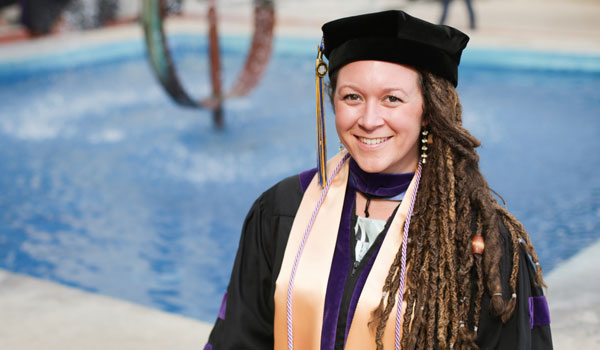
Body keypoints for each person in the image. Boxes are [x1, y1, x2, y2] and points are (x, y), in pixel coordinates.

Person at [205, 10, 552, 350]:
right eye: (352, 97)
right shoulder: (284, 210)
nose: (370, 120)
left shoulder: (475, 239)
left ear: (430, 110)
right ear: (333, 102)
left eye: (392, 99)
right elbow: (239, 339)